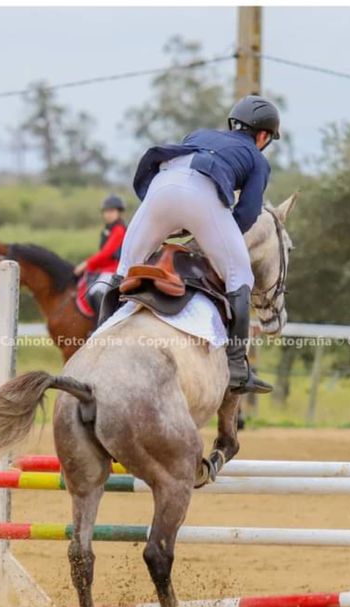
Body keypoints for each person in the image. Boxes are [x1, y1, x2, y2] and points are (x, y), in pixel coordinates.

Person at [94, 95, 281, 395]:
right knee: (240, 277)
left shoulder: (198, 134)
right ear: (262, 135)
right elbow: (247, 212)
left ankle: (97, 342)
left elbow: (178, 178)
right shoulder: (257, 159)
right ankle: (235, 366)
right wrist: (211, 237)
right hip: (201, 195)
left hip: (160, 188)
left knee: (123, 270)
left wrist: (177, 224)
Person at [75, 194, 127, 314]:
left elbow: (106, 253)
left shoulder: (119, 230)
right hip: (107, 268)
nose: (108, 214)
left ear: (119, 212)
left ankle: (104, 323)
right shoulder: (108, 229)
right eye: (106, 211)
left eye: (112, 211)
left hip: (117, 269)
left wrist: (86, 264)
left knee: (97, 290)